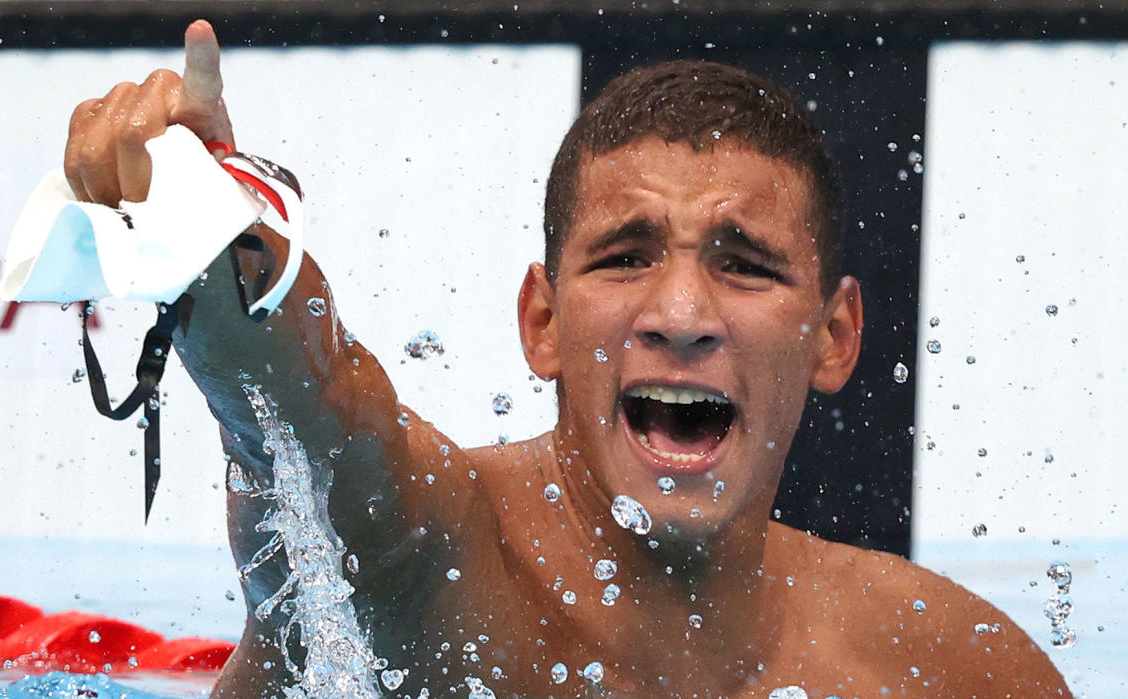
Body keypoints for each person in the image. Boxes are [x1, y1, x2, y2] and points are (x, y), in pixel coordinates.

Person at [64, 19, 1071, 699]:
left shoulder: (942, 667)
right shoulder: (433, 563)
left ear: (834, 336)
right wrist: (205, 230)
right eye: (625, 258)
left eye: (747, 268)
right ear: (541, 322)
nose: (681, 312)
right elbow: (309, 403)